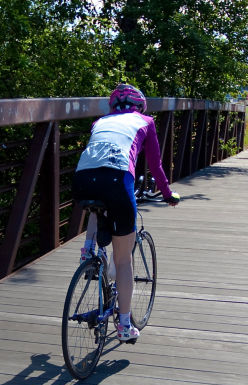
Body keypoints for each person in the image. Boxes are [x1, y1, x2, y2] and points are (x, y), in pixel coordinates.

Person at [73, 83, 180, 342]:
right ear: (139, 106)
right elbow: (154, 163)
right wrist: (167, 194)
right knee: (123, 261)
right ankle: (123, 326)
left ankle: (88, 249)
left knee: (96, 203)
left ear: (112, 106)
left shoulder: (99, 122)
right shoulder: (145, 121)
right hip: (118, 181)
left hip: (81, 179)